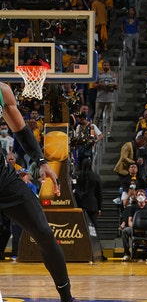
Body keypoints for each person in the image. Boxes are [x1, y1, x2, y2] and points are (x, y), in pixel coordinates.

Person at [0, 82, 74, 301]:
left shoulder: (2, 90)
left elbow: (21, 130)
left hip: (3, 179)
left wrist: (42, 162)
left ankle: (67, 298)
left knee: (43, 232)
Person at [74, 158, 102, 229]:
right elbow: (99, 193)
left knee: (80, 226)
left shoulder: (76, 175)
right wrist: (99, 208)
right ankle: (95, 239)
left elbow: (74, 189)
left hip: (80, 204)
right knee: (94, 225)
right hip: (92, 205)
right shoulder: (95, 176)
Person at [94, 60, 118, 136]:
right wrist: (100, 85)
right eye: (104, 65)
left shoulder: (113, 74)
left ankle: (108, 131)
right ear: (102, 66)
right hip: (100, 98)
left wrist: (110, 86)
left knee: (110, 116)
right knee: (97, 115)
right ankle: (95, 131)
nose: (106, 67)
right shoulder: (99, 74)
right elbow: (94, 85)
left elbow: (116, 86)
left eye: (107, 65)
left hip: (110, 98)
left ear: (109, 66)